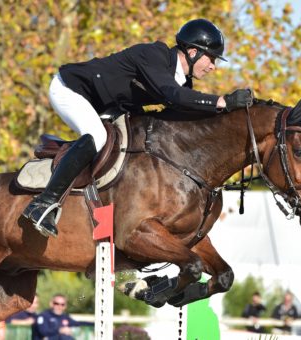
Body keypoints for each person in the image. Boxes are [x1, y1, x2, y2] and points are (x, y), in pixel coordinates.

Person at [21, 18, 254, 238]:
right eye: (211, 59)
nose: (213, 67)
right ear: (194, 53)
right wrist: (220, 101)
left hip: (106, 105)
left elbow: (185, 112)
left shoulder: (184, 81)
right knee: (97, 136)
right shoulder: (154, 55)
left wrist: (229, 112)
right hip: (71, 90)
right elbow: (172, 95)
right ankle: (42, 204)